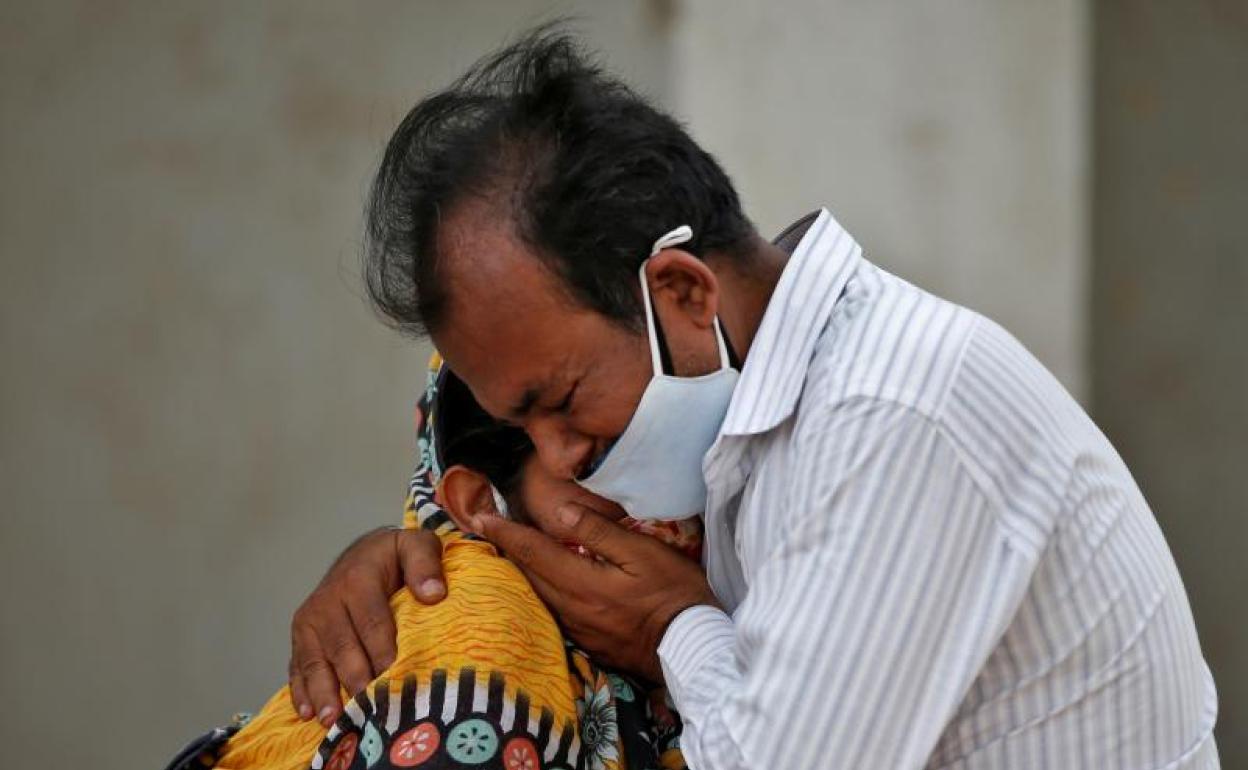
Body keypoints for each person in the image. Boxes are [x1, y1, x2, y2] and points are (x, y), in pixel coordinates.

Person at [292, 27, 1220, 769]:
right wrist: (409, 566)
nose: (563, 454)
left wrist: (671, 626)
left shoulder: (889, 413)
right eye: (518, 429)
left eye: (564, 401)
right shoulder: (735, 435)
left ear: (685, 295)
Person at [165, 355, 696, 770]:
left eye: (672, 438)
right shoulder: (480, 634)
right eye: (596, 461)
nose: (661, 493)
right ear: (479, 503)